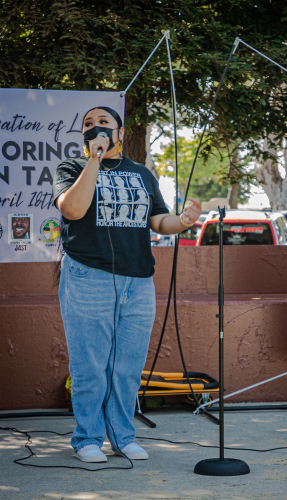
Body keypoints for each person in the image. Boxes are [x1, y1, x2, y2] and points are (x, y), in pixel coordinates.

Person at [53, 106, 201, 463]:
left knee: (127, 365)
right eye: (88, 124)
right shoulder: (72, 168)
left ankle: (122, 435)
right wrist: (94, 160)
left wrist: (181, 221)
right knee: (89, 364)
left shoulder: (141, 173)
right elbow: (71, 209)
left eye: (104, 123)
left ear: (120, 133)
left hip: (138, 281)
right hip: (89, 275)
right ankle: (88, 438)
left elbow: (158, 221)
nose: (95, 127)